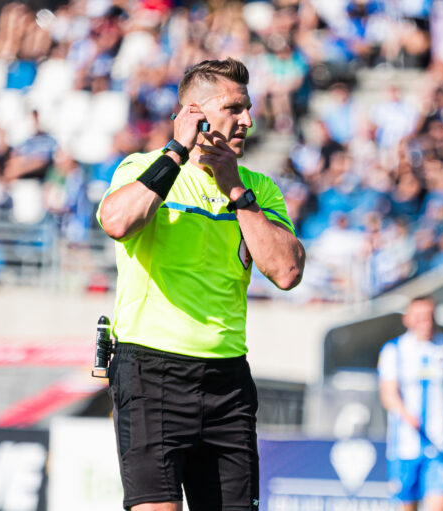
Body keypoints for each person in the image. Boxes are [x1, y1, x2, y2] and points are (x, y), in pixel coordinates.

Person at [97, 58, 305, 511]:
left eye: (248, 108)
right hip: (151, 371)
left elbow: (286, 272)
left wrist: (236, 191)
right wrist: (175, 151)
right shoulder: (142, 167)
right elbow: (116, 221)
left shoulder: (259, 189)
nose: (247, 120)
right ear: (195, 113)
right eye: (234, 108)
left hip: (226, 379)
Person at [377, 295, 443, 511]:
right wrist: (408, 416)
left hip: (441, 446)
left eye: (430, 317)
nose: (426, 322)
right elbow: (389, 395)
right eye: (420, 317)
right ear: (407, 319)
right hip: (404, 447)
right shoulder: (393, 350)